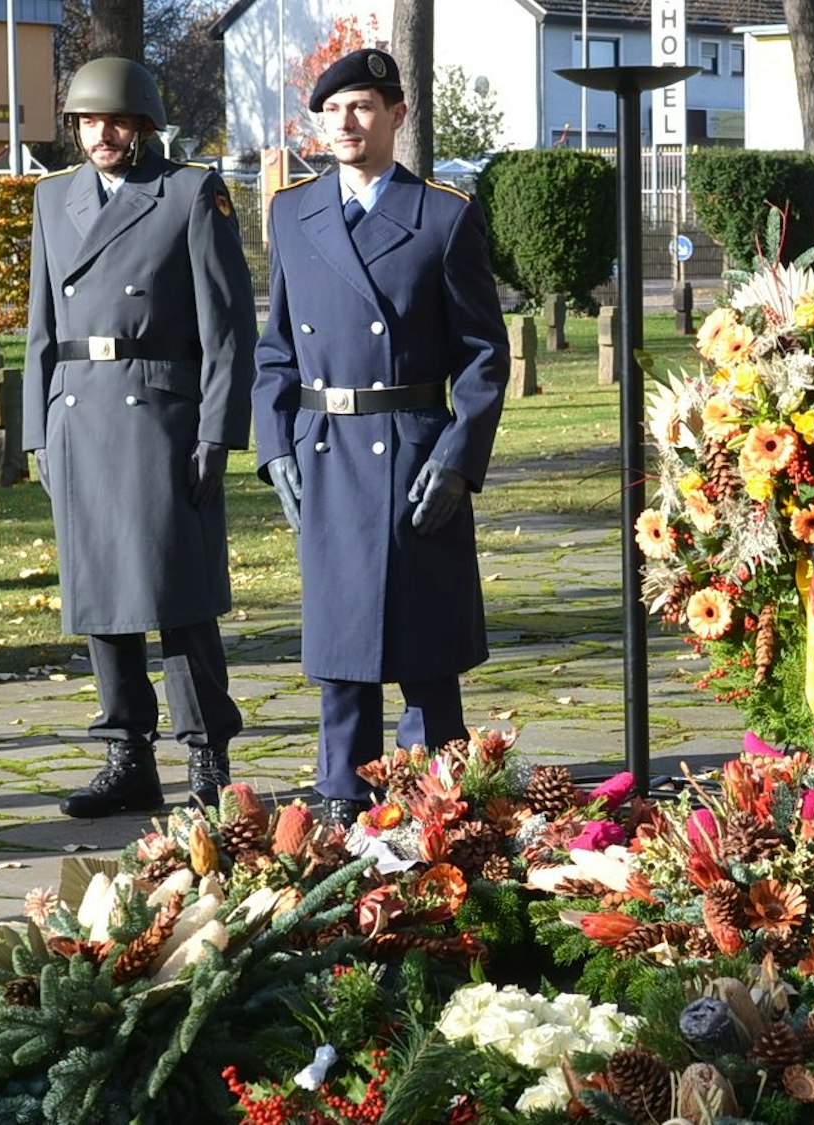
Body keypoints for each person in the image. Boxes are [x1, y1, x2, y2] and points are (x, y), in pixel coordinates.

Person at [252, 48, 510, 825]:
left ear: (398, 115)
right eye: (332, 110)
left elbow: (483, 356)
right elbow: (274, 353)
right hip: (324, 450)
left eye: (362, 106)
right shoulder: (291, 213)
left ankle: (436, 798)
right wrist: (275, 449)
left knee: (425, 644)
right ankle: (339, 796)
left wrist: (459, 460)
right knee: (341, 648)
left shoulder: (443, 215)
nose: (345, 122)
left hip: (412, 451)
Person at [21, 58, 255, 817]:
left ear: (146, 124)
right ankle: (128, 755)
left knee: (177, 590)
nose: (102, 134)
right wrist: (37, 431)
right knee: (99, 595)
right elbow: (39, 331)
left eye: (116, 121)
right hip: (77, 413)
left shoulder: (189, 192)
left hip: (161, 414)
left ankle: (207, 752)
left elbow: (228, 331)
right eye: (89, 121)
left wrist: (219, 431)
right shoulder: (53, 199)